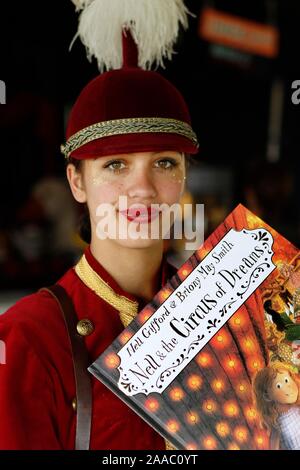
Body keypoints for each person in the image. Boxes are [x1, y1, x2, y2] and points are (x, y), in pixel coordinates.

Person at [0, 0, 199, 449]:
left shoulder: (228, 310)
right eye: (115, 166)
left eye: (165, 163)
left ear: (184, 175)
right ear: (76, 181)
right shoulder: (29, 337)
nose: (142, 188)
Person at [253, 364, 300, 450]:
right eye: (279, 386)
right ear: (267, 396)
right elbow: (274, 443)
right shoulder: (277, 422)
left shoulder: (297, 409)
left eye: (287, 380)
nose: (288, 386)